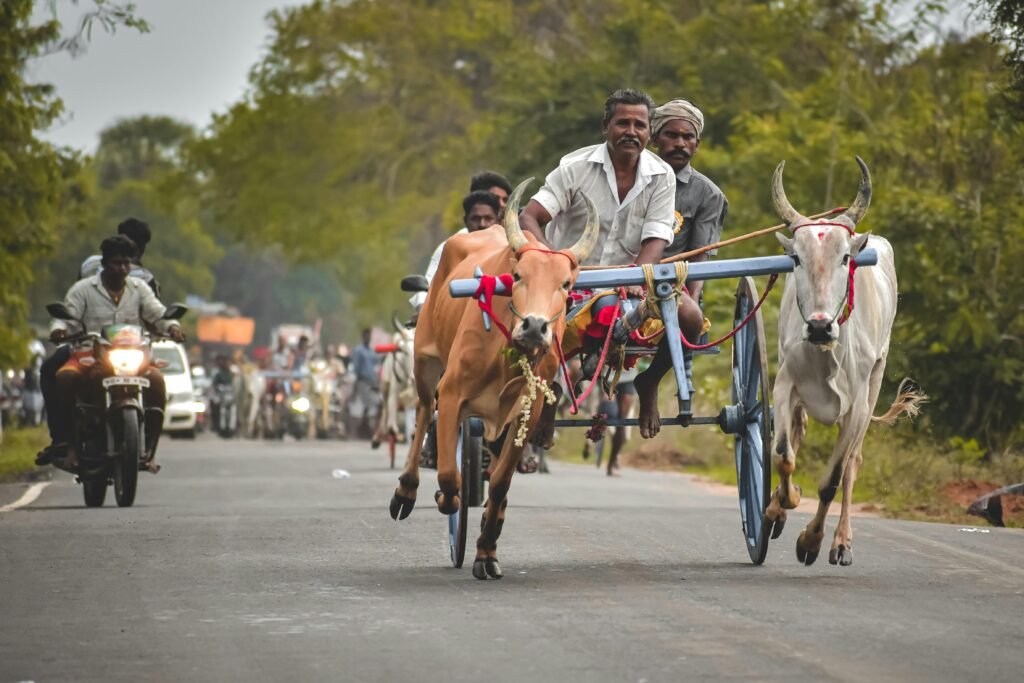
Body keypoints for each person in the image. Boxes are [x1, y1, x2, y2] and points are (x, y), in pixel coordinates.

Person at [37, 235, 185, 470]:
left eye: (127, 263)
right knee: (64, 378)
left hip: (133, 357)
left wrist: (173, 327)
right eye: (117, 262)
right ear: (104, 263)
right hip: (89, 355)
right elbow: (65, 317)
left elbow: (158, 314)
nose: (123, 268)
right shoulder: (83, 289)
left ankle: (149, 450)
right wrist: (59, 330)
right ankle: (71, 447)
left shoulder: (139, 289)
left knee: (157, 382)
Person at [633, 99, 729, 438]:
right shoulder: (629, 174)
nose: (680, 143)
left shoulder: (707, 194)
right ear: (656, 139)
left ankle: (650, 381)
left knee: (689, 317)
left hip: (668, 285)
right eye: (671, 135)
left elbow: (701, 256)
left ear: (697, 144)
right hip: (618, 273)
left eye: (688, 137)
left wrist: (692, 300)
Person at [517, 88, 676, 273]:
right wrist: (554, 263)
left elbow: (656, 239)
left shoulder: (662, 176)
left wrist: (636, 279)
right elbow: (528, 217)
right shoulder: (574, 168)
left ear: (650, 132)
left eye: (640, 125)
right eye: (623, 123)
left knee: (687, 304)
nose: (631, 132)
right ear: (605, 126)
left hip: (626, 287)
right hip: (569, 285)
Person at [409, 190, 502, 309]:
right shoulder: (449, 248)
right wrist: (422, 309)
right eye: (475, 219)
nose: (482, 224)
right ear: (465, 221)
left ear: (498, 221)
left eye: (488, 218)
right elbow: (429, 285)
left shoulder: (510, 251)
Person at [350, 328, 381, 439]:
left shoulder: (371, 352)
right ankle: (364, 429)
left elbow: (376, 365)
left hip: (373, 383)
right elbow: (356, 369)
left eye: (369, 336)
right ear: (363, 337)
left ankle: (365, 428)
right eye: (366, 336)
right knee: (373, 404)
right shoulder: (359, 351)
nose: (368, 338)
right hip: (363, 382)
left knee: (370, 407)